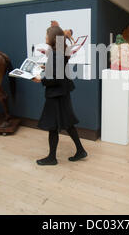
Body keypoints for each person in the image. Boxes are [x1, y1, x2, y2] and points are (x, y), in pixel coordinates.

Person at [31, 25, 87, 165]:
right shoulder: (61, 51)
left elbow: (54, 78)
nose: (45, 38)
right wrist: (46, 67)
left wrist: (40, 79)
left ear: (52, 38)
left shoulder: (56, 54)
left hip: (56, 94)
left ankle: (52, 158)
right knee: (67, 123)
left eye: (46, 35)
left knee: (52, 125)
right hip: (63, 92)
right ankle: (80, 151)